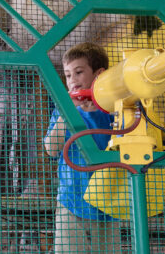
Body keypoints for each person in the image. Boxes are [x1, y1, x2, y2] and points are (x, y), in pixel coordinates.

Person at [44, 42, 121, 253]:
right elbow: (51, 148)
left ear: (99, 74)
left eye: (78, 72)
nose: (72, 81)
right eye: (68, 75)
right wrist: (67, 111)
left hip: (108, 202)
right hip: (71, 199)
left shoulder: (114, 109)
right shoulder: (62, 110)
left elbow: (108, 145)